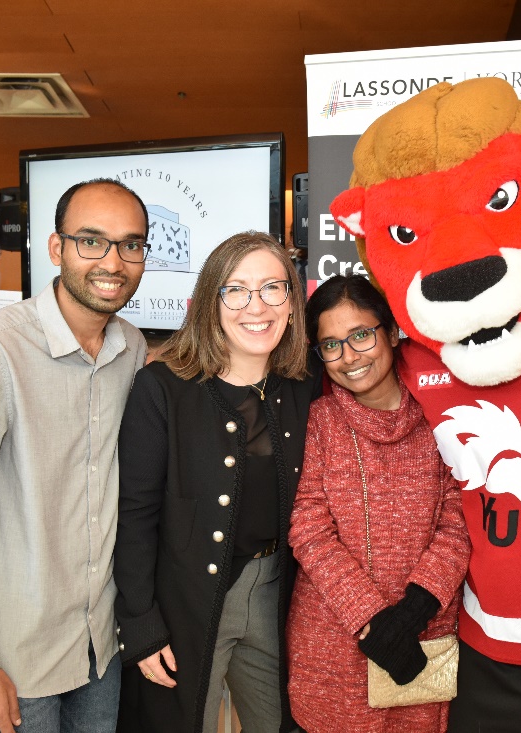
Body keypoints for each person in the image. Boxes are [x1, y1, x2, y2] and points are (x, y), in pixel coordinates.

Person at [0, 179, 150, 733]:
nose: (112, 262)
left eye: (130, 244)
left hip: (100, 642)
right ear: (56, 248)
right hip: (16, 655)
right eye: (91, 241)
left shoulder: (132, 348)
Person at [114, 231, 313, 733]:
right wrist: (139, 623)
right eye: (236, 289)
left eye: (273, 287)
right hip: (187, 602)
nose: (257, 305)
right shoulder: (161, 389)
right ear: (210, 302)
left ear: (292, 302)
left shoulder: (306, 387)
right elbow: (135, 515)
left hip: (277, 598)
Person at [286, 275, 469, 733]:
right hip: (332, 640)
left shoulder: (439, 418)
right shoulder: (319, 422)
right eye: (331, 345)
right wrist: (371, 616)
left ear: (391, 333)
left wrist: (412, 612)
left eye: (361, 335)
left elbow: (459, 522)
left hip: (423, 633)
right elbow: (308, 529)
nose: (349, 357)